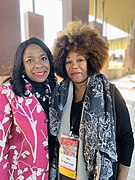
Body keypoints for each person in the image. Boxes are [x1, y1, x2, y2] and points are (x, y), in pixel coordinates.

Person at [49, 20, 134, 180]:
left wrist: (122, 178)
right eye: (68, 61)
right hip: (64, 173)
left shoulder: (110, 94)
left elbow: (126, 139)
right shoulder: (58, 96)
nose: (74, 66)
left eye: (79, 60)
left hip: (97, 174)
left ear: (91, 60)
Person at [0, 37, 56, 179]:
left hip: (52, 173)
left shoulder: (55, 90)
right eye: (30, 60)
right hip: (21, 174)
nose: (39, 65)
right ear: (22, 65)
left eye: (43, 58)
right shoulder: (8, 92)